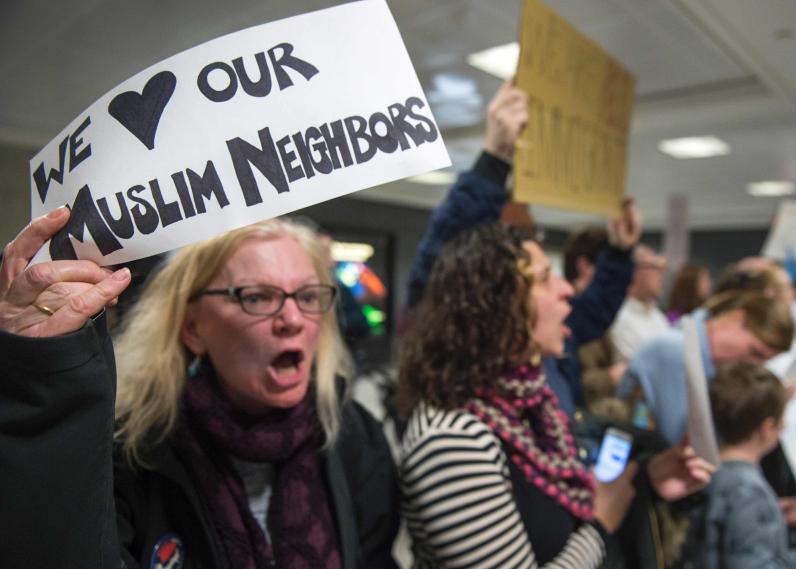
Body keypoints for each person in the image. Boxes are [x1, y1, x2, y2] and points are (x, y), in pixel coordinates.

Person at [0, 211, 399, 568]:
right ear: (192, 328)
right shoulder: (129, 450)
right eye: (257, 297)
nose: (292, 319)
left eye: (308, 296)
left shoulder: (353, 436)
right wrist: (41, 377)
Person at [396, 224, 712, 568]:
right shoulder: (453, 438)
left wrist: (647, 481)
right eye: (545, 278)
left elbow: (557, 514)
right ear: (494, 304)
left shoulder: (527, 403)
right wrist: (600, 527)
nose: (565, 289)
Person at [405, 80, 639, 417]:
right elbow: (442, 261)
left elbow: (594, 311)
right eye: (516, 236)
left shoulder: (543, 333)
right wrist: (495, 161)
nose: (564, 289)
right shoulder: (469, 346)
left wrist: (619, 254)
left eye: (532, 235)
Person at [683, 362, 796, 569]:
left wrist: (769, 516)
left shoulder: (704, 468)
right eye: (783, 419)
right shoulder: (749, 493)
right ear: (767, 428)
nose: (785, 426)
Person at [617, 290, 795, 444]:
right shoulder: (678, 351)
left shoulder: (695, 354)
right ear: (736, 319)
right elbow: (689, 443)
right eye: (755, 352)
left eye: (764, 361)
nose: (754, 365)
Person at [609, 245, 670, 361]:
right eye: (655, 267)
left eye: (663, 269)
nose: (662, 275)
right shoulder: (618, 316)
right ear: (633, 271)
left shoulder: (658, 316)